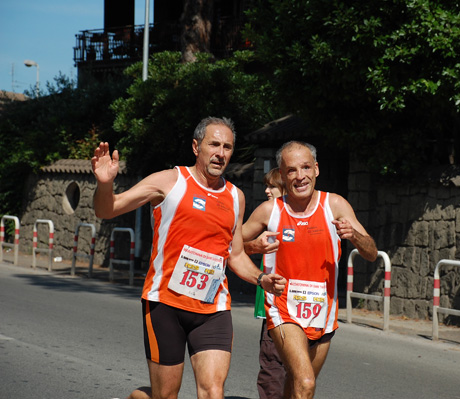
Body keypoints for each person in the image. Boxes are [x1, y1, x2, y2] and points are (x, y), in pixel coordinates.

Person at [91, 116, 287, 399]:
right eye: (214, 144)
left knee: (212, 391)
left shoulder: (235, 197)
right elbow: (107, 210)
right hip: (165, 304)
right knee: (166, 395)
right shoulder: (169, 181)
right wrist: (106, 185)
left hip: (213, 308)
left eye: (228, 147)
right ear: (197, 147)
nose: (221, 153)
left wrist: (260, 278)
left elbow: (235, 255)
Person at [242, 141, 378, 399]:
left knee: (296, 388)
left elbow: (371, 252)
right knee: (305, 383)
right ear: (282, 175)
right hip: (284, 310)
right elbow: (231, 247)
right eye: (292, 170)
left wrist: (355, 238)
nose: (300, 176)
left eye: (306, 168)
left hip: (322, 314)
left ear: (316, 169)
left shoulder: (335, 205)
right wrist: (253, 247)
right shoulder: (270, 210)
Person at [243, 168, 287, 399]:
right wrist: (255, 247)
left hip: (301, 303)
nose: (267, 190)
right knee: (272, 363)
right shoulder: (267, 212)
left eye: (272, 186)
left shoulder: (314, 214)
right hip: (274, 300)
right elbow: (235, 241)